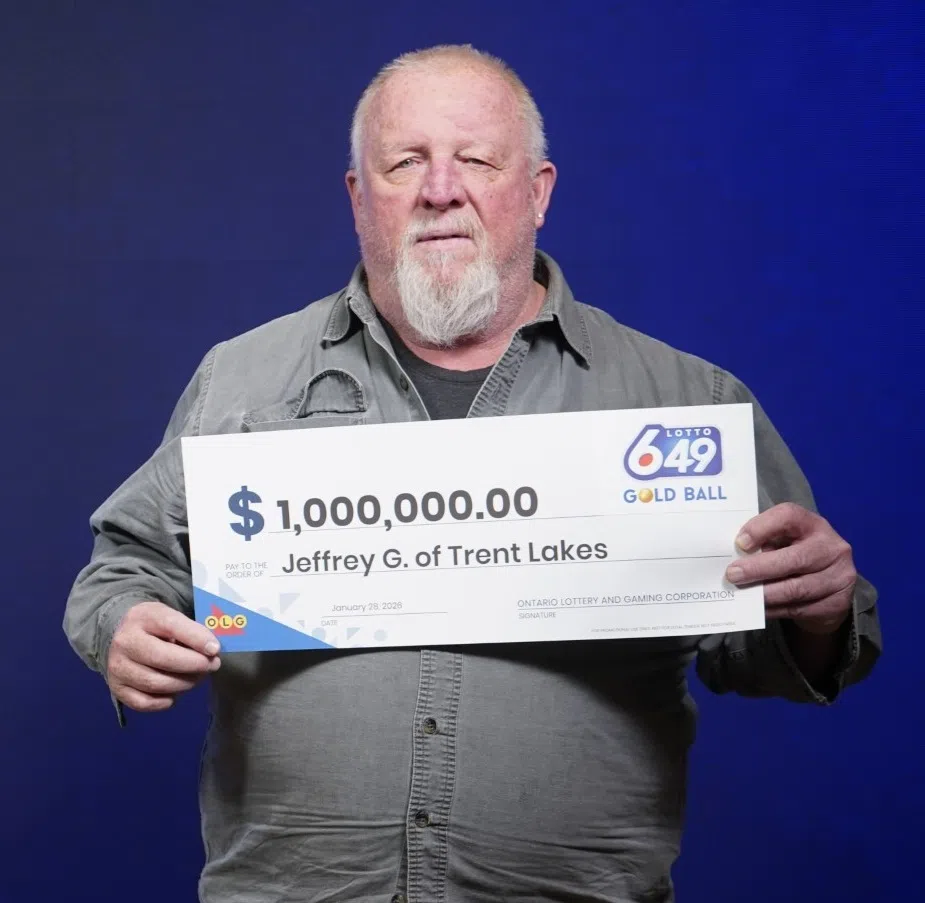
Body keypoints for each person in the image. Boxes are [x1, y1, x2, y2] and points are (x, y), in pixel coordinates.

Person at [64, 44, 880, 903]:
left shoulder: (684, 402)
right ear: (358, 197)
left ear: (538, 192)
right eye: (404, 162)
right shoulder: (241, 379)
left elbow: (761, 646)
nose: (440, 189)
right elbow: (125, 564)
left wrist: (819, 611)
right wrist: (124, 623)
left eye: (478, 160)